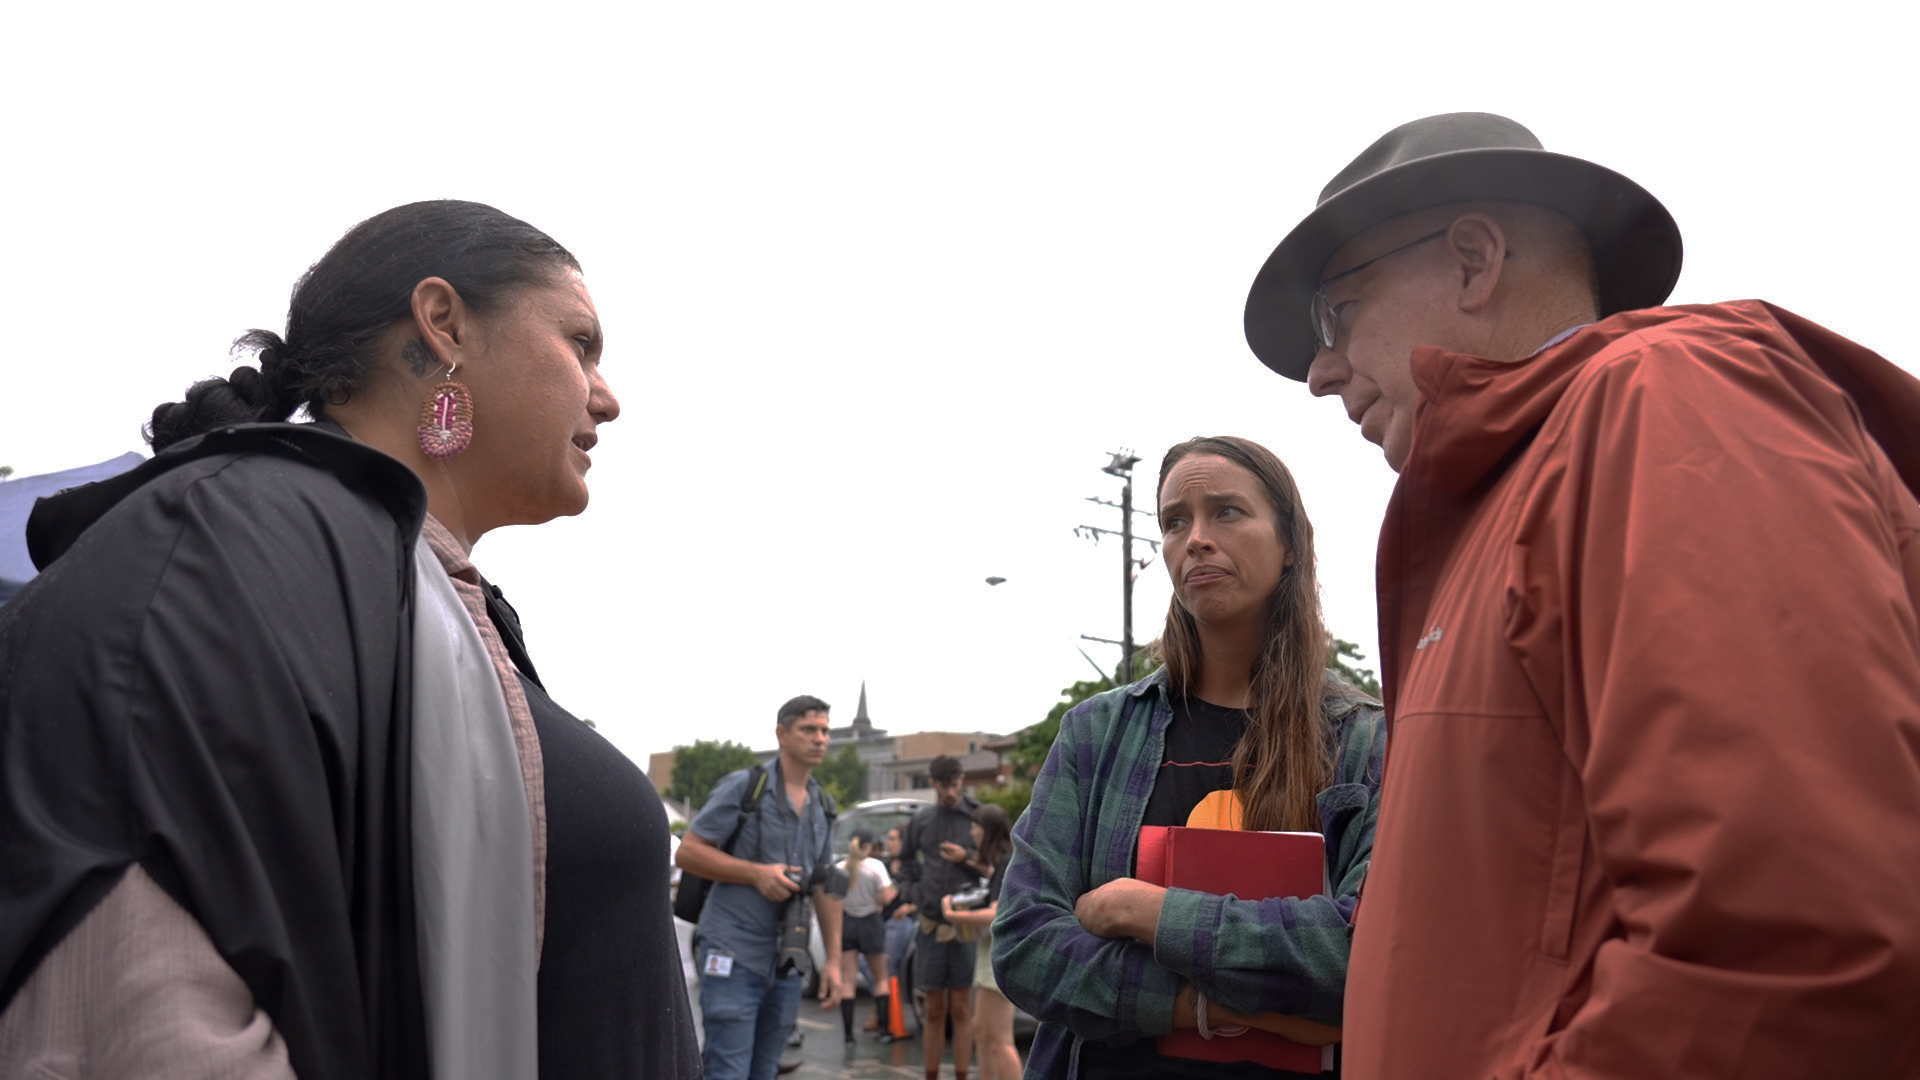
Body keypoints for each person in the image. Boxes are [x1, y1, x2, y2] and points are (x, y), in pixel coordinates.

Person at [1244, 111, 1920, 1078]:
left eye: (1334, 316)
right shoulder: (1529, 486)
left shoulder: (1663, 405)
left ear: (1475, 260)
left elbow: (1800, 935)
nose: (1319, 373)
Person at [0, 200, 700, 1080]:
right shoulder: (228, 537)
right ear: (443, 324)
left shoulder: (408, 585)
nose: (608, 396)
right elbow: (127, 1016)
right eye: (582, 345)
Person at [995, 435, 1386, 1080]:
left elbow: (1366, 949)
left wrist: (1146, 912)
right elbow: (1025, 943)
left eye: (1226, 512)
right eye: (1176, 521)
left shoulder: (1366, 740)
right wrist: (1207, 1007)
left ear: (1290, 544)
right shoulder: (1097, 733)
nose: (1196, 538)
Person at [677, 696, 847, 1080]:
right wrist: (755, 874)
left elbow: (826, 887)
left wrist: (834, 962)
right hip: (731, 951)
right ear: (782, 734)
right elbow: (688, 852)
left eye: (825, 731)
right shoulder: (745, 787)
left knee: (766, 1069)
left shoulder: (824, 804)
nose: (819, 739)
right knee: (728, 1069)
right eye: (809, 730)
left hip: (787, 959)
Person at [899, 754, 984, 1080]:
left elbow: (999, 861)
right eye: (944, 785)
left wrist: (969, 857)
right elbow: (904, 862)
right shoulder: (921, 821)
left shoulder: (977, 815)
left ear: (962, 779)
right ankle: (930, 1075)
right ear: (932, 783)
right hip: (931, 925)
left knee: (963, 1009)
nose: (950, 792)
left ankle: (962, 1075)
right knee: (933, 1010)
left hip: (966, 926)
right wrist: (914, 893)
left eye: (955, 784)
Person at [939, 803, 1018, 1080]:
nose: (971, 831)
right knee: (983, 1033)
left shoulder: (1008, 861)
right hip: (991, 956)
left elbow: (996, 913)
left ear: (988, 830)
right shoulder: (1002, 862)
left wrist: (953, 915)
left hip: (1000, 956)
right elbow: (987, 872)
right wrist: (965, 859)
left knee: (999, 1039)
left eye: (975, 826)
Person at [837, 828, 896, 1044]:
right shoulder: (875, 867)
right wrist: (893, 889)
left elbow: (834, 898)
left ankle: (848, 1035)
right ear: (868, 846)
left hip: (848, 921)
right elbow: (885, 898)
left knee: (848, 980)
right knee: (880, 978)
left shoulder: (840, 867)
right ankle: (883, 1031)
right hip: (871, 921)